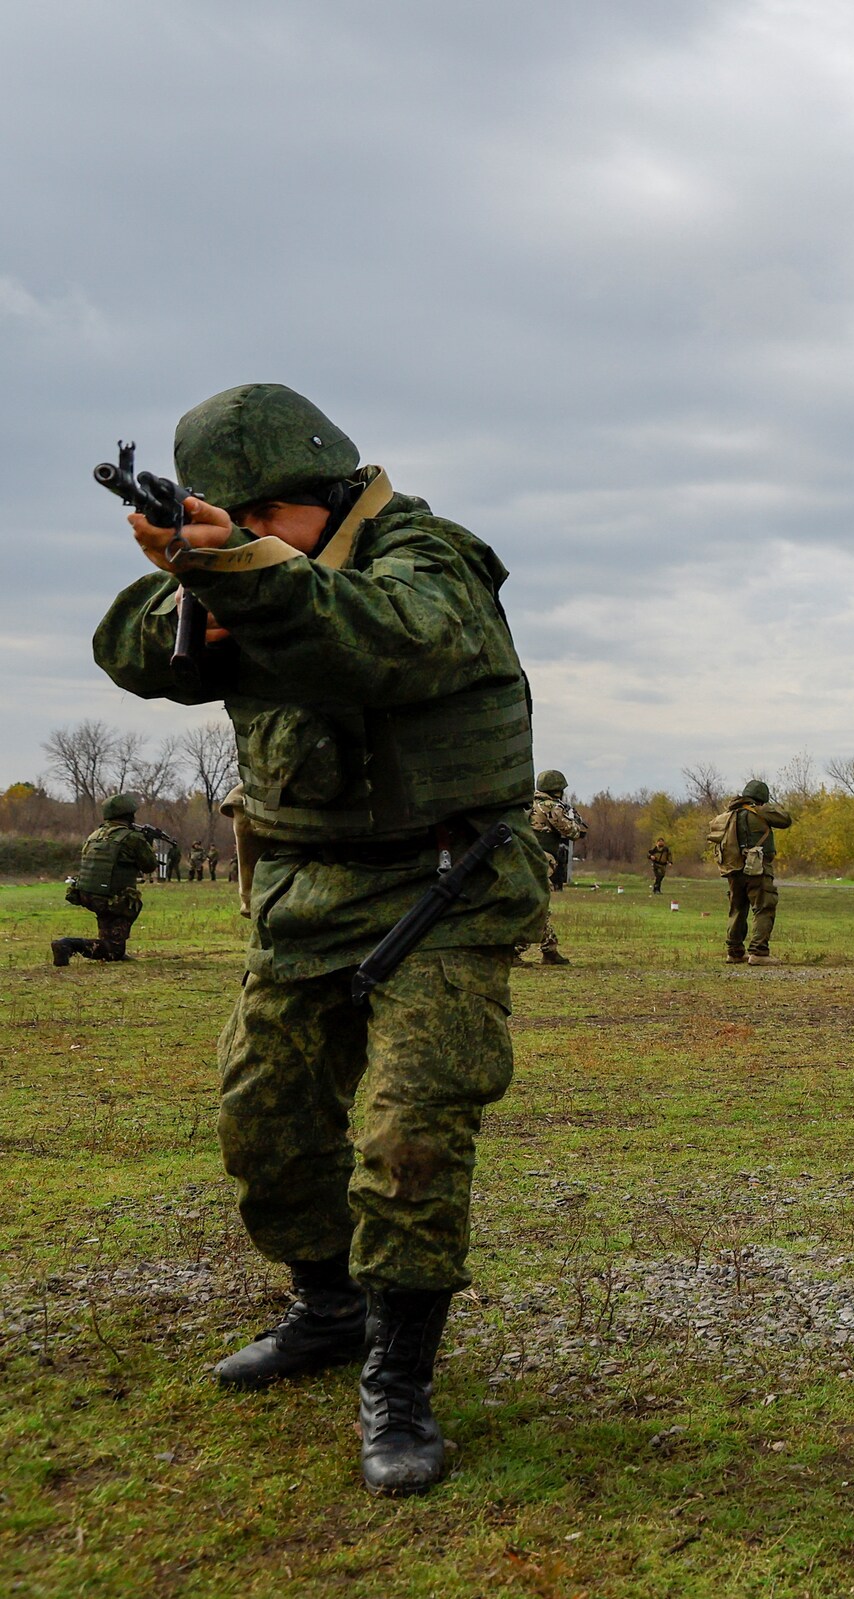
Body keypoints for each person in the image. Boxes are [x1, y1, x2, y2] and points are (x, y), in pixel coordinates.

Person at [92, 382, 548, 1496]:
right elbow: (132, 653)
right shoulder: (257, 573)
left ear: (317, 499)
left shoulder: (429, 558)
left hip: (442, 884)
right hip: (302, 888)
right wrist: (191, 577)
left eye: (254, 526)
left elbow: (380, 645)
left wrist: (246, 571)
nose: (245, 546)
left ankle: (399, 1374)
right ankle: (328, 1307)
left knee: (408, 1137)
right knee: (265, 1120)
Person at [52, 792, 158, 964]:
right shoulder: (132, 838)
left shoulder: (95, 835)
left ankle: (111, 944)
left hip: (87, 893)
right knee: (114, 948)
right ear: (129, 815)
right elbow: (149, 866)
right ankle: (68, 945)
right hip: (110, 898)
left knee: (109, 919)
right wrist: (148, 844)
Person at [715, 780, 794, 964]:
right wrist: (768, 808)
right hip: (757, 868)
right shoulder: (759, 811)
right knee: (764, 907)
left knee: (737, 909)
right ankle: (759, 952)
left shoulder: (731, 814)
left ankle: (734, 952)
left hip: (734, 869)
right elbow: (785, 820)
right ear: (761, 798)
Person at [522, 770, 584, 966]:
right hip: (542, 859)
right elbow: (571, 831)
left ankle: (550, 949)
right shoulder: (551, 806)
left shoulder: (529, 804)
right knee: (537, 906)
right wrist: (575, 823)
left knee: (539, 904)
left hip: (526, 857)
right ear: (557, 789)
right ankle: (514, 950)